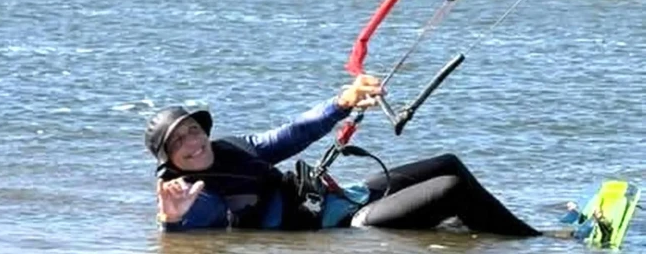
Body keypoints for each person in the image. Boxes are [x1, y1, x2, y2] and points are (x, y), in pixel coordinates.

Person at [144, 74, 542, 236]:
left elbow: (293, 132)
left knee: (447, 162)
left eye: (193, 130)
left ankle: (498, 229)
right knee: (450, 188)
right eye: (178, 142)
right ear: (168, 160)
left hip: (342, 196)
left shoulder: (233, 148)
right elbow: (197, 226)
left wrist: (342, 102)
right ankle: (530, 241)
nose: (192, 143)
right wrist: (171, 223)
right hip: (343, 224)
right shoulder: (189, 195)